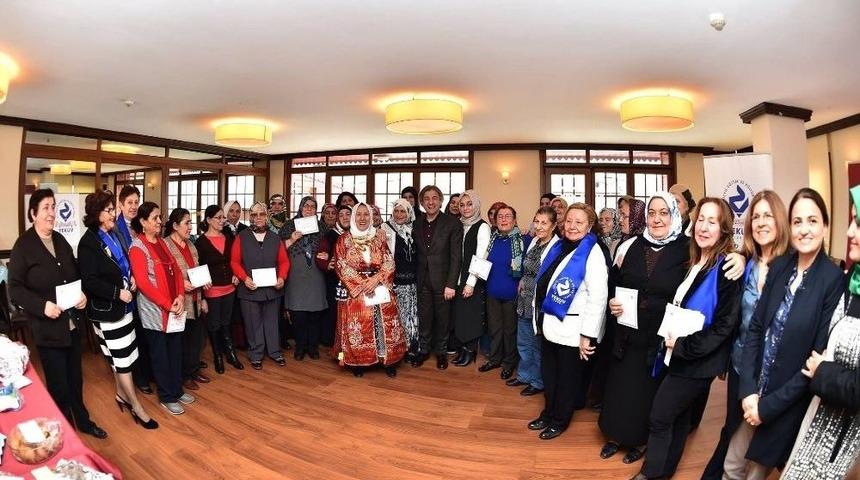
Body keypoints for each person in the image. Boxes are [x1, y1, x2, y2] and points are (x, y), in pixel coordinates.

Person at [726, 188, 843, 478]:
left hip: (785, 401)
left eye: (812, 221)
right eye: (797, 221)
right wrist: (749, 391)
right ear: (789, 227)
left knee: (755, 472)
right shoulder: (780, 267)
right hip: (754, 392)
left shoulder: (832, 281)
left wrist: (766, 408)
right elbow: (755, 330)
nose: (804, 229)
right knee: (731, 466)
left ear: (825, 226)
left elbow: (814, 362)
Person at [634, 198, 742, 480]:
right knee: (679, 418)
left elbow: (724, 327)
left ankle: (650, 474)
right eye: (700, 220)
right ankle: (665, 471)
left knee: (659, 416)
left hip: (696, 360)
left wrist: (682, 346)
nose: (703, 227)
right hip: (677, 354)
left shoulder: (727, 268)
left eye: (712, 221)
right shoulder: (695, 260)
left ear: (724, 230)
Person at [702, 190, 790, 479]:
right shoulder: (746, 263)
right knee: (733, 427)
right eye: (756, 216)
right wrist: (740, 254)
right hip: (743, 365)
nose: (761, 222)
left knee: (766, 439)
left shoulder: (794, 265)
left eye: (768, 215)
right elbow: (735, 319)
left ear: (780, 222)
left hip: (778, 372)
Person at [598, 192, 690, 463]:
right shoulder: (632, 246)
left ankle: (642, 441)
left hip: (660, 339)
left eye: (664, 213)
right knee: (622, 388)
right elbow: (614, 282)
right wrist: (613, 302)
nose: (657, 219)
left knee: (649, 392)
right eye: (652, 213)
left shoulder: (688, 249)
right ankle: (615, 435)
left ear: (673, 216)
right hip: (628, 333)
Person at [9, 189, 108, 439]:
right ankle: (65, 432)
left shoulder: (61, 240)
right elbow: (15, 289)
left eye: (53, 207)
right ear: (33, 214)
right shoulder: (23, 246)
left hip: (71, 324)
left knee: (76, 379)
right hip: (48, 329)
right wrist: (42, 306)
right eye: (46, 208)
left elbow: (75, 274)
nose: (52, 213)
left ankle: (83, 421)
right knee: (58, 385)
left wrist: (82, 294)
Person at [780, 185, 860, 479]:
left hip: (847, 441)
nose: (850, 232)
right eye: (851, 221)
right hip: (822, 418)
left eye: (859, 223)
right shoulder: (853, 280)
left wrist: (822, 371)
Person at [77, 190, 158, 430]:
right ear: (96, 214)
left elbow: (122, 263)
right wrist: (117, 293)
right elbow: (89, 281)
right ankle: (136, 406)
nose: (115, 213)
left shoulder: (110, 233)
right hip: (107, 310)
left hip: (123, 306)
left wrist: (131, 278)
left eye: (114, 209)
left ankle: (121, 395)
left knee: (121, 358)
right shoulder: (88, 243)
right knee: (122, 361)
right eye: (110, 210)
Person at [528, 203, 608, 440]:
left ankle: (560, 420)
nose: (572, 226)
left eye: (579, 222)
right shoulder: (559, 246)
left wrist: (588, 335)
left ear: (590, 226)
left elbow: (599, 297)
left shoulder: (592, 253)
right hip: (549, 324)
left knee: (566, 379)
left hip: (573, 330)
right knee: (550, 375)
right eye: (569, 221)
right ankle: (548, 412)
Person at [128, 201, 193, 416]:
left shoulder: (162, 243)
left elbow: (175, 269)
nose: (159, 221)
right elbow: (144, 283)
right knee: (160, 354)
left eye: (159, 217)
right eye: (155, 218)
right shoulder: (137, 247)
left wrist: (180, 297)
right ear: (143, 222)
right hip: (155, 312)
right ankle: (166, 396)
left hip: (173, 307)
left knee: (175, 350)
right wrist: (168, 303)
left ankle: (177, 389)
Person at [334, 203, 406, 377]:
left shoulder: (379, 237)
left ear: (371, 217)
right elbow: (341, 265)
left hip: (379, 288)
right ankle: (358, 362)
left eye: (366, 214)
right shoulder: (343, 239)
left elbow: (389, 261)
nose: (362, 218)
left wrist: (376, 280)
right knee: (358, 326)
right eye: (358, 214)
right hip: (357, 293)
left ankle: (387, 360)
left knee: (384, 325)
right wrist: (363, 284)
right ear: (353, 217)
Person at [231, 201, 290, 370]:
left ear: (267, 216)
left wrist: (282, 277)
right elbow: (234, 262)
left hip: (272, 289)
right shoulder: (241, 236)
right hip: (249, 288)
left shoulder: (275, 237)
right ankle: (256, 354)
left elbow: (284, 261)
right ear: (250, 216)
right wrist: (244, 278)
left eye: (262, 214)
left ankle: (275, 352)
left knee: (272, 322)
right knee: (252, 322)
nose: (258, 218)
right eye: (254, 214)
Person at [509, 206, 560, 396]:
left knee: (537, 345)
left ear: (554, 225)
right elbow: (527, 268)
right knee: (523, 341)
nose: (538, 226)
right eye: (536, 221)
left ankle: (537, 382)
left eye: (544, 223)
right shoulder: (534, 242)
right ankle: (524, 375)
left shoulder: (557, 247)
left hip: (540, 303)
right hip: (524, 300)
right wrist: (522, 279)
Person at [412, 185, 463, 369]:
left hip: (443, 282)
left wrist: (451, 284)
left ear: (441, 201)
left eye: (435, 198)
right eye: (427, 199)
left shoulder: (452, 223)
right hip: (423, 279)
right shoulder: (416, 223)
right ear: (422, 202)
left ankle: (441, 352)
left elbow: (457, 256)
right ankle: (424, 350)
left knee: (443, 319)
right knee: (424, 318)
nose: (431, 202)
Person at [163, 208, 210, 392]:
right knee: (181, 341)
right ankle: (183, 375)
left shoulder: (191, 244)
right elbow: (166, 275)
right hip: (179, 301)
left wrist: (204, 290)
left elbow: (197, 269)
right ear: (175, 226)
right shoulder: (166, 245)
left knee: (196, 339)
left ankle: (193, 369)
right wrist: (182, 283)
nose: (190, 227)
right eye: (187, 223)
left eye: (191, 223)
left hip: (196, 299)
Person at [114, 184, 154, 395]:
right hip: (129, 286)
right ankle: (140, 377)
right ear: (120, 204)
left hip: (146, 285)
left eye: (136, 202)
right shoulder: (115, 228)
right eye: (129, 202)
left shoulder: (141, 224)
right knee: (135, 333)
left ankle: (149, 372)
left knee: (147, 330)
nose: (133, 206)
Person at [480, 205, 527, 380]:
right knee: (495, 329)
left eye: (508, 216)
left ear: (514, 220)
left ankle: (509, 363)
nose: (504, 219)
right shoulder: (492, 239)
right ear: (495, 220)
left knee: (510, 331)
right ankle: (494, 359)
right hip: (492, 291)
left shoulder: (523, 240)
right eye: (500, 216)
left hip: (512, 294)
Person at [195, 205, 244, 374]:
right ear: (208, 220)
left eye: (223, 217)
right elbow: (196, 266)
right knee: (214, 324)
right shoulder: (200, 242)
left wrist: (237, 274)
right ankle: (217, 356)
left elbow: (235, 260)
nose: (223, 220)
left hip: (230, 288)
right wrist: (202, 283)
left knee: (226, 322)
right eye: (219, 217)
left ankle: (230, 353)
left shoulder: (228, 237)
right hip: (212, 290)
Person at [280, 196, 328, 360]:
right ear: (300, 208)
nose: (309, 209)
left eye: (312, 206)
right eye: (305, 206)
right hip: (296, 277)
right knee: (298, 316)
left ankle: (313, 347)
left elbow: (329, 249)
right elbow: (278, 250)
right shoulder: (288, 226)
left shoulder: (323, 228)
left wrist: (327, 255)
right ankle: (300, 347)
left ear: (316, 210)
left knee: (315, 315)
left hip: (316, 277)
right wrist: (292, 238)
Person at [449, 190, 491, 367]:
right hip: (457, 279)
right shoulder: (459, 224)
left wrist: (470, 283)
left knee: (471, 317)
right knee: (460, 317)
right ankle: (462, 349)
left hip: (472, 281)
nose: (465, 208)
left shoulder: (483, 226)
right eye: (462, 205)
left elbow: (482, 256)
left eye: (469, 204)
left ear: (476, 205)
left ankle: (470, 351)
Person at [381, 199, 419, 362]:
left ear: (409, 213)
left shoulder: (414, 230)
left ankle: (411, 347)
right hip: (395, 282)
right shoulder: (384, 228)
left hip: (413, 282)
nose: (399, 215)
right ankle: (397, 349)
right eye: (396, 211)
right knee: (396, 317)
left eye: (403, 211)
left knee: (412, 317)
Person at [316, 204, 351, 348]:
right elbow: (320, 255)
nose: (344, 217)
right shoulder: (330, 235)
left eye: (347, 214)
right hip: (334, 282)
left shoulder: (358, 233)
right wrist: (326, 265)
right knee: (334, 312)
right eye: (341, 215)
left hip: (355, 283)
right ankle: (334, 343)